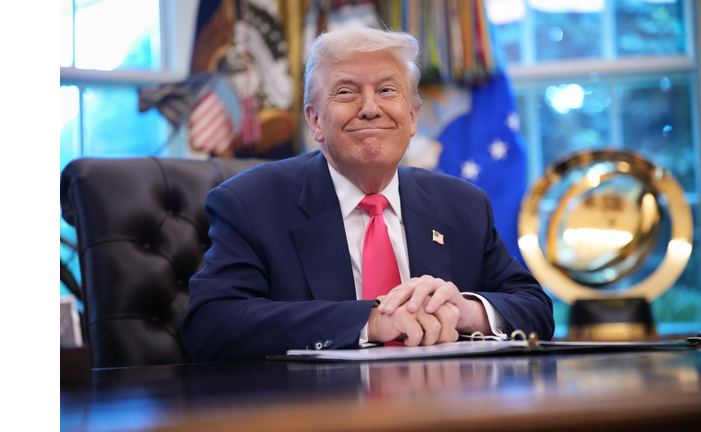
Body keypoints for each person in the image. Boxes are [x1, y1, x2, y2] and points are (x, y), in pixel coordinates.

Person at [181, 27, 554, 361]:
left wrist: (466, 310)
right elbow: (211, 324)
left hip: (443, 407)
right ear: (315, 121)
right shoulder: (249, 203)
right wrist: (370, 321)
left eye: (387, 90)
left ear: (412, 118)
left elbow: (535, 307)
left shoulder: (463, 204)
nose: (370, 109)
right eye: (346, 92)